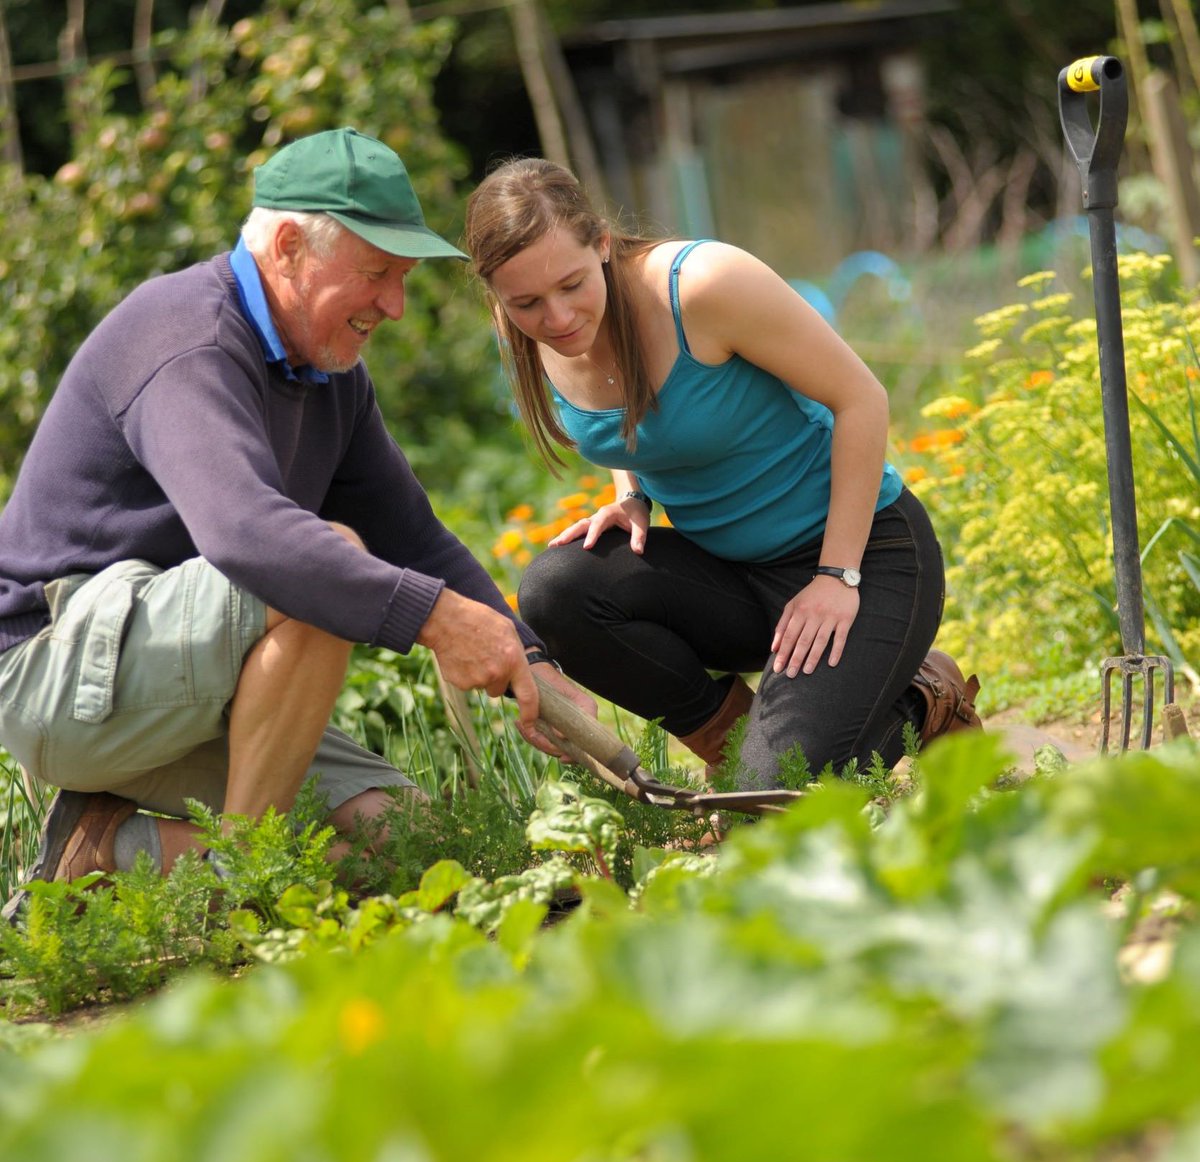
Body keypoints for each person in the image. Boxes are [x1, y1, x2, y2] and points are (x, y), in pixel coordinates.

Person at [0, 129, 591, 920]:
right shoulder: (189, 336)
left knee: (404, 842)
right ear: (287, 246)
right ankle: (247, 886)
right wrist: (438, 620)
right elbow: (251, 538)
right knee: (320, 573)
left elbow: (412, 536)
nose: (394, 305)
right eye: (377, 274)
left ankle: (106, 852)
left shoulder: (329, 373)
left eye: (404, 279)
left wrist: (529, 657)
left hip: (183, 681)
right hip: (54, 672)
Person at [464, 157, 981, 790]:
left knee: (776, 790)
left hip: (862, 557)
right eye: (527, 303)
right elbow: (634, 418)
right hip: (732, 580)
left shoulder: (703, 287)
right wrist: (631, 496)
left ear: (602, 242)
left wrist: (836, 574)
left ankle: (924, 695)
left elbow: (862, 399)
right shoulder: (524, 327)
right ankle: (736, 751)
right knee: (558, 588)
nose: (557, 317)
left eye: (571, 285)